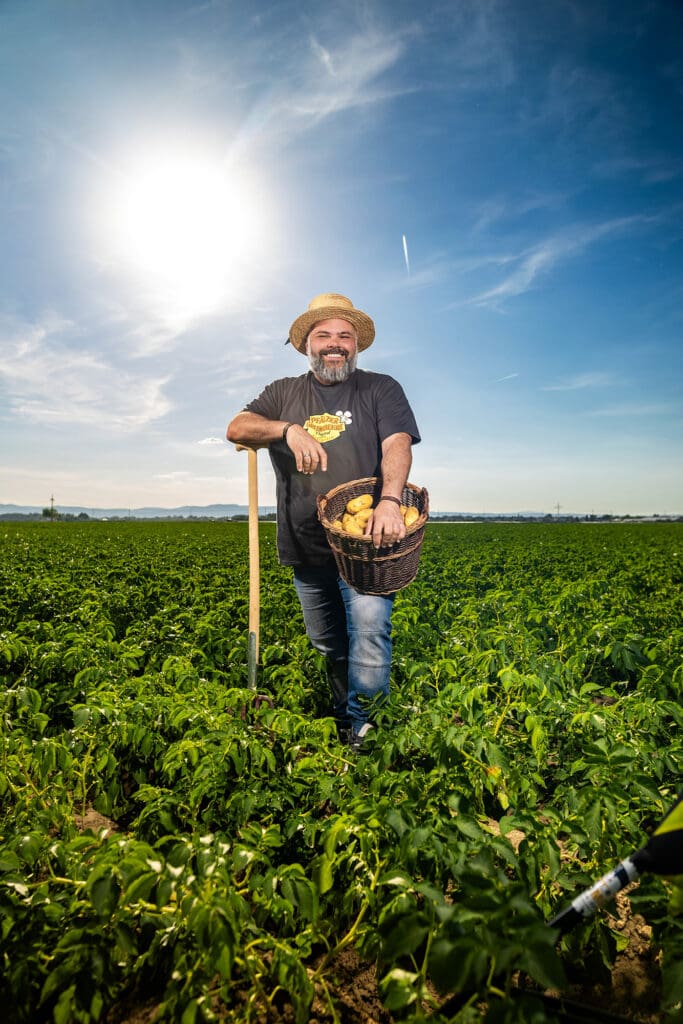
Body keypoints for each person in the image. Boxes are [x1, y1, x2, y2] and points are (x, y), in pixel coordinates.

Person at [226, 293, 421, 749]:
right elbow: (237, 427)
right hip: (305, 542)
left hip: (365, 545)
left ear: (357, 345)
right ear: (307, 345)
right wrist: (287, 429)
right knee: (329, 644)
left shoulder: (380, 388)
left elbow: (397, 443)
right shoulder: (282, 394)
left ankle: (366, 732)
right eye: (324, 335)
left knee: (370, 634)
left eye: (344, 336)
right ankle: (345, 716)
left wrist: (390, 500)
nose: (335, 344)